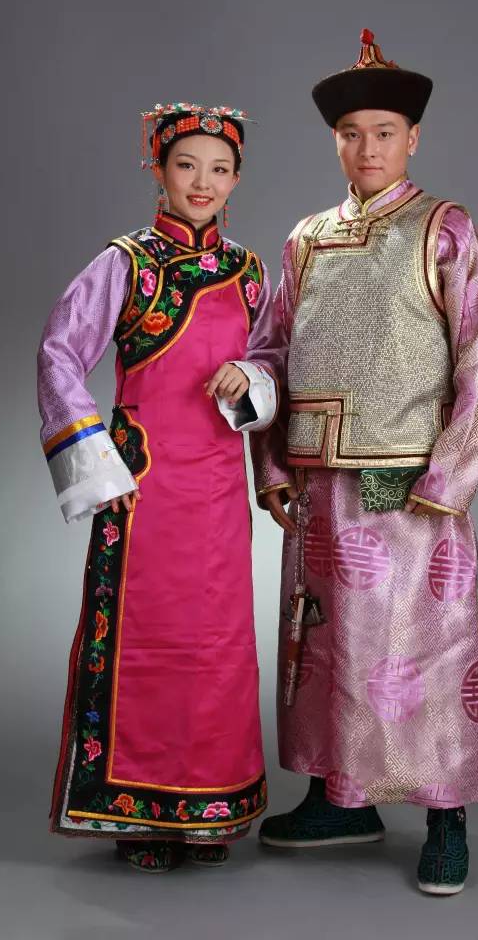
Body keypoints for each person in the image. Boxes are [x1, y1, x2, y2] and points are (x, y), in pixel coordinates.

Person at [251, 31, 478, 895]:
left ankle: (445, 813)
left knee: (424, 647)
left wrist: (451, 476)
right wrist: (272, 466)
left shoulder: (443, 228)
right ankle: (339, 797)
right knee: (327, 644)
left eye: (385, 133)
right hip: (318, 480)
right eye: (352, 133)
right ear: (335, 141)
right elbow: (271, 350)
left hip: (410, 480)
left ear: (413, 138)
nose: (368, 149)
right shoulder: (306, 238)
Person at [38, 102, 285, 872]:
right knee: (145, 648)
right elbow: (59, 354)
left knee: (218, 651)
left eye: (220, 168)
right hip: (142, 491)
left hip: (218, 494)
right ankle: (138, 813)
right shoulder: (126, 264)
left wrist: (250, 379)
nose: (202, 182)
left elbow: (276, 363)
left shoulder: (251, 274)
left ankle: (209, 809)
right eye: (186, 165)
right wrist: (95, 463)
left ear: (237, 179)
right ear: (159, 169)